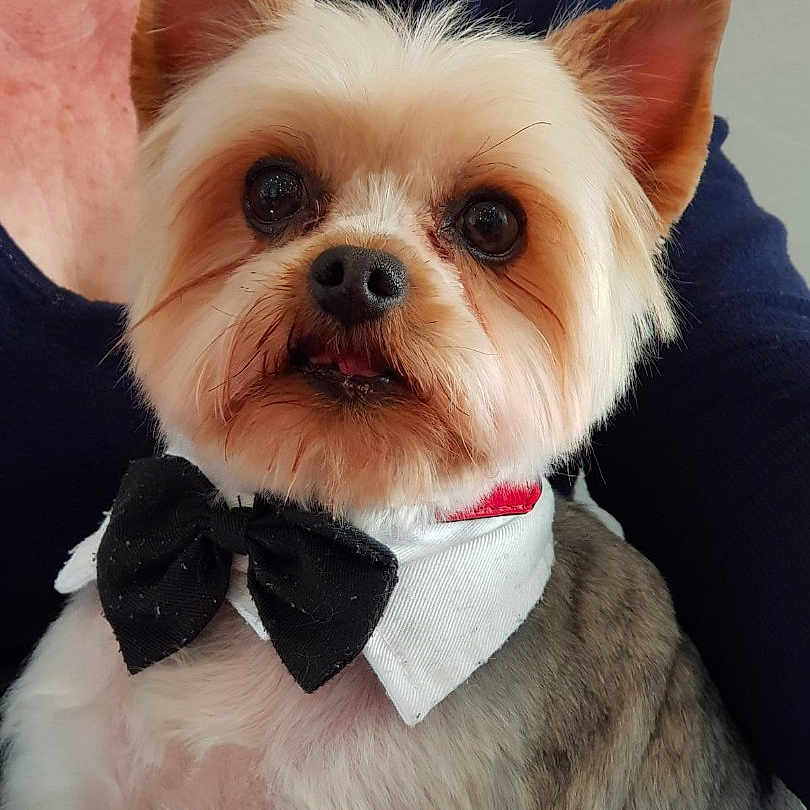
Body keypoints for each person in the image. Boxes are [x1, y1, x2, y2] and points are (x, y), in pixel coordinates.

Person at [1, 0, 807, 801]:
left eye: (487, 228)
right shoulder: (103, 628)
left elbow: (750, 387)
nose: (357, 273)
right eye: (277, 197)